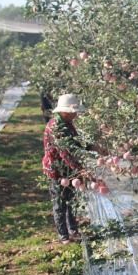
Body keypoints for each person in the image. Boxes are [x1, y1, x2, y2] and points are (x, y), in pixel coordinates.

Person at [42, 94, 86, 244]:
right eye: (74, 112)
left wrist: (92, 147)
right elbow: (65, 153)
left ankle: (73, 229)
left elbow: (76, 144)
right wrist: (80, 169)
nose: (76, 114)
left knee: (72, 200)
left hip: (69, 170)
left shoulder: (67, 123)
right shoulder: (56, 127)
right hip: (57, 171)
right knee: (60, 202)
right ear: (65, 112)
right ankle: (63, 236)